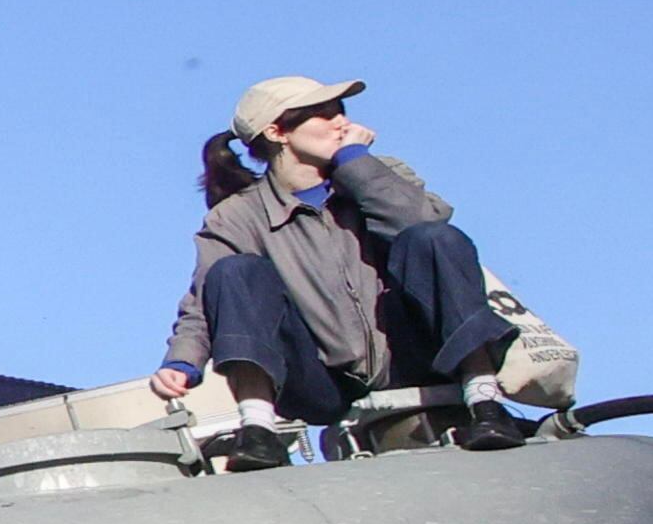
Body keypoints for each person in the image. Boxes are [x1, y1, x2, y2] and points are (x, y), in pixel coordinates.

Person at [152, 80, 535, 467]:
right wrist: (181, 363)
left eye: (341, 112)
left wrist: (355, 163)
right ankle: (258, 430)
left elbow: (424, 222)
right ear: (277, 132)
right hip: (321, 377)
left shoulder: (378, 174)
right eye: (324, 114)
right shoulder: (237, 215)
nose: (340, 123)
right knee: (234, 272)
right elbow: (206, 297)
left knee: (435, 238)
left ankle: (485, 402)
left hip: (416, 355)